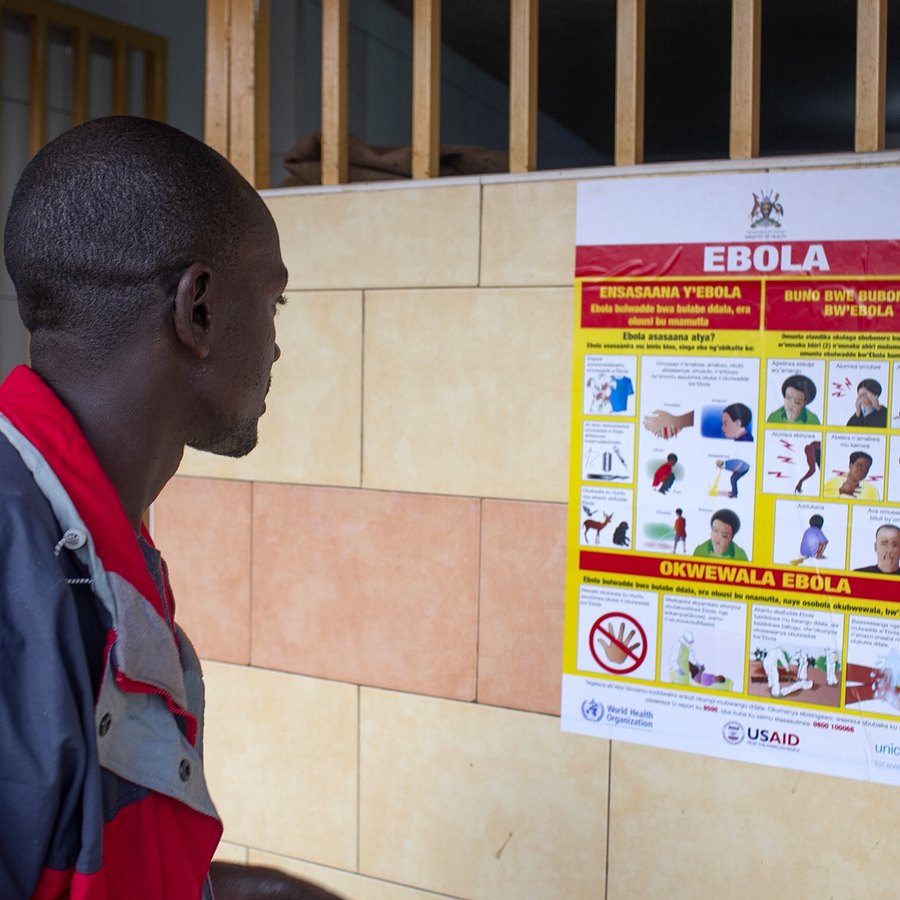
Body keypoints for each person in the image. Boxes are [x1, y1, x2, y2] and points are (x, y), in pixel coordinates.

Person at [0, 117, 289, 897]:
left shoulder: (91, 551)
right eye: (274, 303)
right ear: (198, 309)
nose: (275, 347)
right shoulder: (15, 573)